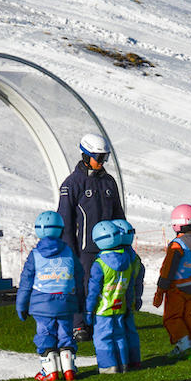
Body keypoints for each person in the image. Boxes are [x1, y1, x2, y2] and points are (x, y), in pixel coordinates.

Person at [57, 132, 125, 342]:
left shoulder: (109, 182)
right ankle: (79, 326)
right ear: (85, 156)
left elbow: (118, 214)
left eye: (105, 157)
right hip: (84, 249)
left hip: (109, 248)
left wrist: (123, 241)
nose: (102, 162)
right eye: (98, 157)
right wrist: (69, 252)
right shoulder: (72, 184)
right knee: (82, 287)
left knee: (107, 287)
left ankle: (101, 321)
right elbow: (65, 221)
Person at [15, 211, 85, 381]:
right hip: (66, 302)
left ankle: (50, 370)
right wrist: (81, 303)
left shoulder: (35, 255)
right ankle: (69, 369)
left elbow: (25, 282)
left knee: (45, 334)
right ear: (61, 230)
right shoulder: (68, 253)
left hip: (42, 304)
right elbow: (79, 277)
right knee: (66, 334)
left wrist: (21, 305)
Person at [84, 220, 141, 374]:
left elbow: (93, 291)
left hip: (103, 309)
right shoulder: (128, 260)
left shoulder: (100, 264)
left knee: (103, 338)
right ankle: (124, 364)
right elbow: (130, 287)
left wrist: (89, 311)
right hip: (120, 306)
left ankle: (108, 366)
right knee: (120, 336)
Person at [153, 204, 191, 358]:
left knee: (173, 317)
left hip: (176, 288)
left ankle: (183, 346)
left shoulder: (177, 245)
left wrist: (160, 291)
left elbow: (167, 269)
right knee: (188, 315)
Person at [113, 219, 145, 371]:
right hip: (131, 300)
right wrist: (138, 298)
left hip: (117, 300)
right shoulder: (135, 257)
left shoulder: (117, 257)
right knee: (131, 330)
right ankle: (135, 359)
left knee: (118, 332)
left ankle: (121, 360)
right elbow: (139, 282)